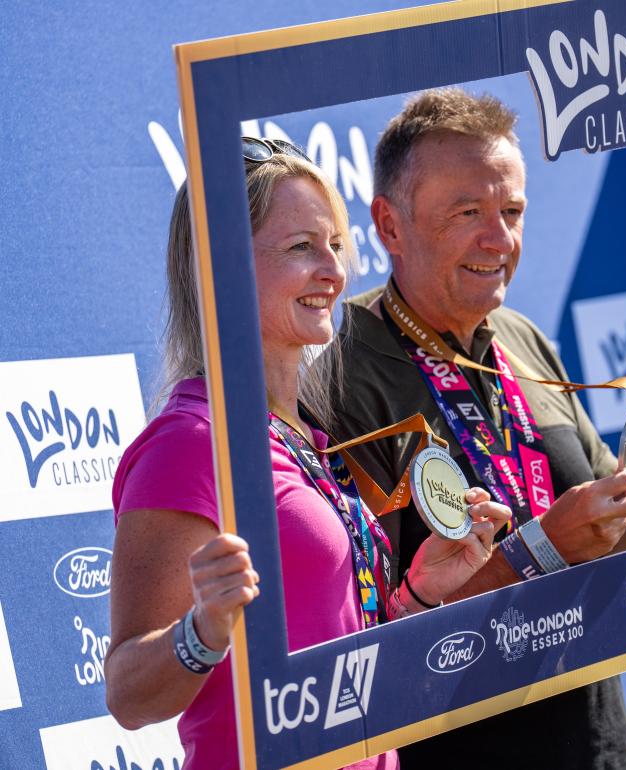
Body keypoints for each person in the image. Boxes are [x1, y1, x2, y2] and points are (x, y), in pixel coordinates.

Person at [328, 89, 626, 769]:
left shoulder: (520, 338)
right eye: (468, 213)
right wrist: (540, 550)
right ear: (390, 224)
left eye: (513, 211)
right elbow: (369, 641)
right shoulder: (340, 368)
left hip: (598, 744)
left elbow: (621, 544)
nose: (501, 239)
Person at [104, 138, 510, 770]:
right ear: (221, 268)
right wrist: (203, 631)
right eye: (301, 248)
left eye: (335, 246)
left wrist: (420, 596)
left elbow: (340, 656)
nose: (335, 272)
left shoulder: (308, 438)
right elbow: (128, 694)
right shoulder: (190, 443)